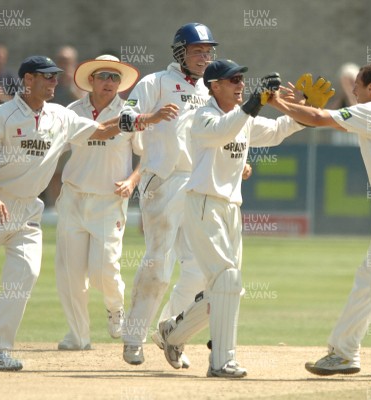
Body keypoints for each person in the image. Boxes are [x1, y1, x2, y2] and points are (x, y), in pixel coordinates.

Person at [0, 55, 177, 371]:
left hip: (29, 212)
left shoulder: (59, 116)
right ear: (27, 80)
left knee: (25, 276)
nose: (54, 83)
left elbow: (103, 130)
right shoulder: (3, 115)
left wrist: (147, 118)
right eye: (47, 77)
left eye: (55, 77)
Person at [266, 63, 371, 380]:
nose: (353, 93)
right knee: (367, 280)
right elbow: (318, 118)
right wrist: (298, 107)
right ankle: (344, 353)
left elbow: (319, 120)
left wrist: (276, 102)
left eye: (357, 87)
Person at [158, 59, 304, 378]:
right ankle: (222, 362)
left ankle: (173, 333)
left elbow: (278, 131)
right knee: (227, 279)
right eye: (233, 79)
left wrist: (304, 114)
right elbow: (223, 131)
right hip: (203, 205)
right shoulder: (202, 117)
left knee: (226, 289)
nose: (240, 84)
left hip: (231, 209)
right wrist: (254, 103)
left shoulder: (244, 118)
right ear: (214, 86)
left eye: (242, 79)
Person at [119, 22, 219, 366]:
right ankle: (133, 337)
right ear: (180, 52)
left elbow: (219, 131)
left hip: (199, 181)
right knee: (159, 263)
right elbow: (123, 119)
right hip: (163, 180)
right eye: (197, 51)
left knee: (198, 270)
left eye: (208, 51)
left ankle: (170, 332)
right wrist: (151, 116)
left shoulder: (211, 88)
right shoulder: (156, 82)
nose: (204, 57)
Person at [55, 55, 141, 351]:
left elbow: (149, 155)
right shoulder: (72, 111)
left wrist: (132, 180)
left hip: (109, 201)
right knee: (71, 275)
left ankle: (116, 308)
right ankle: (78, 336)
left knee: (103, 269)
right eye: (104, 76)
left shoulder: (131, 113)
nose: (109, 82)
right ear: (91, 80)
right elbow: (54, 150)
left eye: (115, 78)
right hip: (74, 198)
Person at [44, 46, 84, 208]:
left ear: (74, 63)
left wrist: (71, 86)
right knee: (53, 172)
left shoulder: (80, 81)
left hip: (75, 135)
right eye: (60, 61)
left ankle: (72, 208)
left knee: (75, 175)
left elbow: (85, 102)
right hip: (52, 134)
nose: (63, 64)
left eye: (66, 61)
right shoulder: (49, 81)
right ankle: (54, 209)